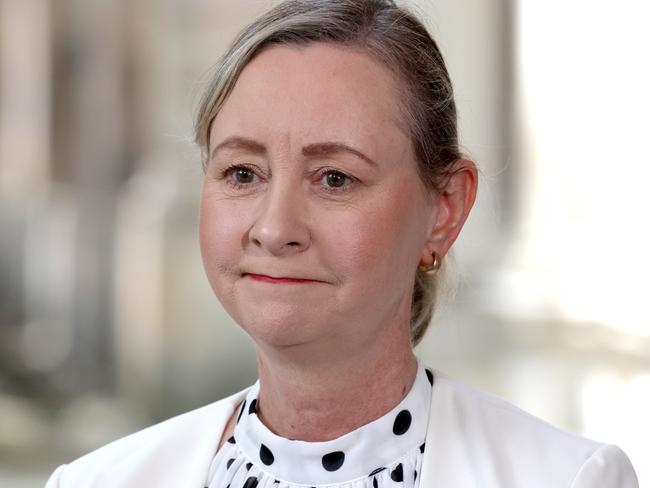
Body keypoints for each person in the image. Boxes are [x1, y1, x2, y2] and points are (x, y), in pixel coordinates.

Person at [45, 1, 638, 487]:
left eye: (335, 178)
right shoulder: (95, 482)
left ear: (445, 209)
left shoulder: (568, 479)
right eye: (243, 173)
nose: (275, 229)